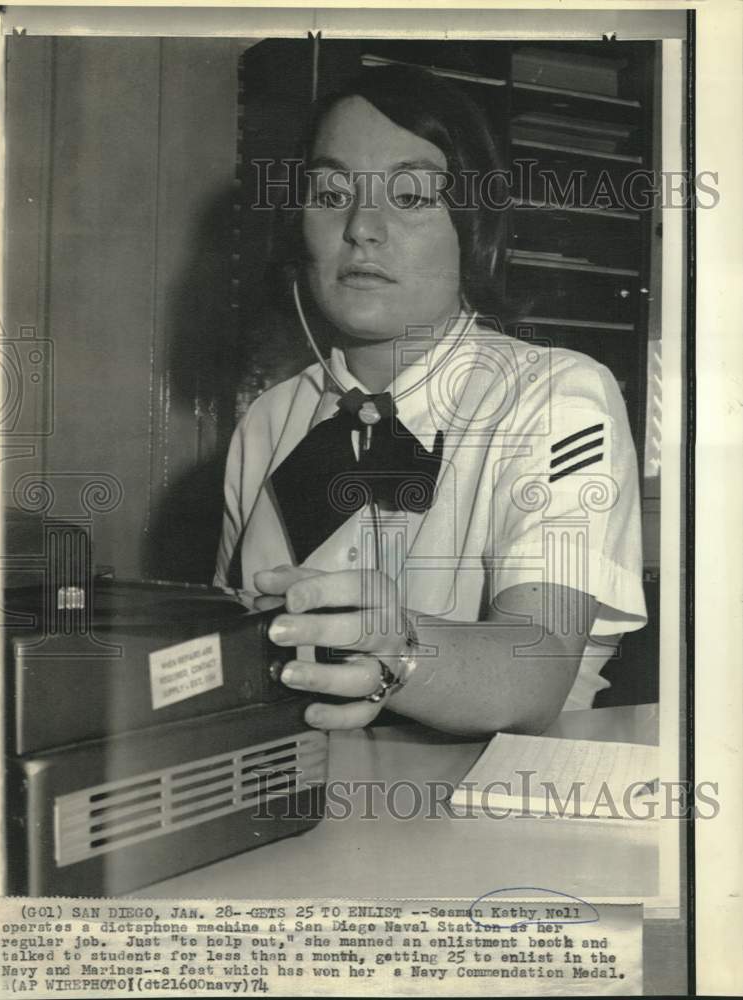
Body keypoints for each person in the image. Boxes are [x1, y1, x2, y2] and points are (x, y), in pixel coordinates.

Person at [214, 66, 647, 736]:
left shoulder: (558, 398)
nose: (361, 227)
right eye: (330, 194)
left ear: (472, 228)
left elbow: (540, 659)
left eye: (410, 196)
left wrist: (399, 651)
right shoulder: (268, 421)